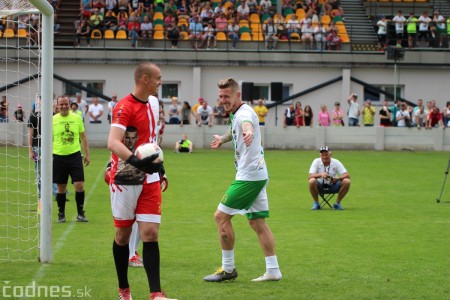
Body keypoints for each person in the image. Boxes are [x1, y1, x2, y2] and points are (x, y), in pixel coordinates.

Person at [107, 62, 176, 300]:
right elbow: (113, 142)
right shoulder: (124, 106)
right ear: (144, 79)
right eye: (158, 78)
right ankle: (123, 289)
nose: (160, 82)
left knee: (150, 234)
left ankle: (156, 293)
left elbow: (151, 140)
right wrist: (138, 163)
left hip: (150, 180)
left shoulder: (154, 104)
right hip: (125, 179)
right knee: (122, 237)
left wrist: (160, 168)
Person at [204, 77, 282, 283]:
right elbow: (235, 129)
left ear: (238, 95)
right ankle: (273, 270)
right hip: (258, 173)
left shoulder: (245, 113)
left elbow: (246, 125)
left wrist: (248, 132)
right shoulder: (237, 112)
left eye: (227, 96)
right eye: (220, 96)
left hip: (249, 177)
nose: (223, 100)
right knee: (257, 222)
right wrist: (222, 138)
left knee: (220, 216)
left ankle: (228, 269)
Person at [53, 95, 90, 223]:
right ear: (57, 106)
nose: (64, 106)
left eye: (66, 104)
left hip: (75, 156)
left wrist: (87, 154)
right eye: (61, 104)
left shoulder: (76, 118)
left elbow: (83, 137)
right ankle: (61, 214)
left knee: (79, 185)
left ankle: (80, 213)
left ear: (69, 104)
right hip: (58, 157)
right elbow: (48, 139)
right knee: (61, 187)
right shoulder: (52, 120)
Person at [308, 146, 350, 210]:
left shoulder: (336, 162)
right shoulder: (316, 161)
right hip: (319, 186)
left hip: (333, 185)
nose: (324, 157)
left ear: (330, 154)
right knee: (312, 181)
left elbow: (347, 175)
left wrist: (337, 178)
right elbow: (310, 176)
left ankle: (337, 204)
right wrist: (321, 175)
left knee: (347, 181)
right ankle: (316, 203)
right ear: (320, 155)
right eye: (322, 155)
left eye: (326, 155)